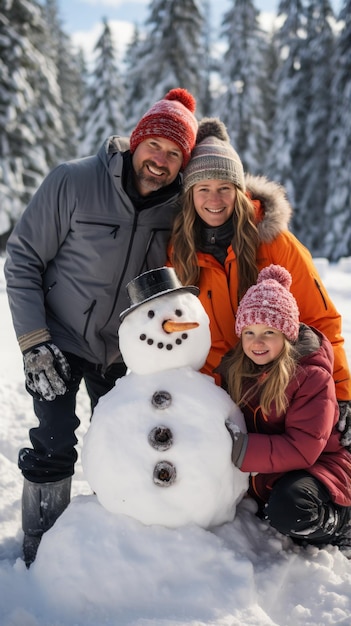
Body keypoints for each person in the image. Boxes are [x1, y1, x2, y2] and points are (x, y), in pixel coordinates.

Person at [4, 88, 198, 566]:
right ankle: (41, 554)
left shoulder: (179, 210)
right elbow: (23, 259)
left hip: (128, 351)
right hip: (61, 339)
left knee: (129, 443)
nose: (161, 160)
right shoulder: (74, 181)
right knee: (54, 442)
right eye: (155, 145)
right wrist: (34, 344)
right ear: (136, 141)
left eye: (175, 154)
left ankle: (119, 552)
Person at [168, 117, 351, 446]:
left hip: (275, 391)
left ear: (239, 192)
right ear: (190, 194)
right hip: (210, 396)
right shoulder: (177, 252)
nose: (215, 199)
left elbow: (321, 320)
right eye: (204, 188)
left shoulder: (275, 243)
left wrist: (342, 394)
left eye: (225, 188)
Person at [220, 264, 351, 555]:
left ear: (288, 335)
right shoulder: (236, 367)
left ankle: (343, 522)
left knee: (289, 512)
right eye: (250, 331)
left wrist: (239, 449)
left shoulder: (310, 375)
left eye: (270, 331)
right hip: (270, 469)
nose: (258, 342)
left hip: (319, 465)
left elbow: (304, 448)